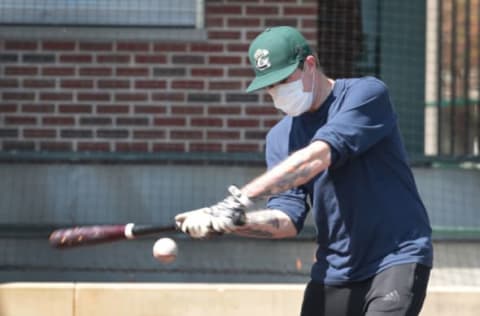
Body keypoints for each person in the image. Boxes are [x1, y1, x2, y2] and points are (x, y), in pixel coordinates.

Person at [175, 26, 433, 316]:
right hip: (335, 269)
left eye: (284, 80)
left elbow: (318, 156)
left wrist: (237, 200)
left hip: (395, 257)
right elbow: (286, 219)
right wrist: (232, 221)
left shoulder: (365, 95)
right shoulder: (279, 137)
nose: (276, 92)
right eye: (269, 86)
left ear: (310, 64)